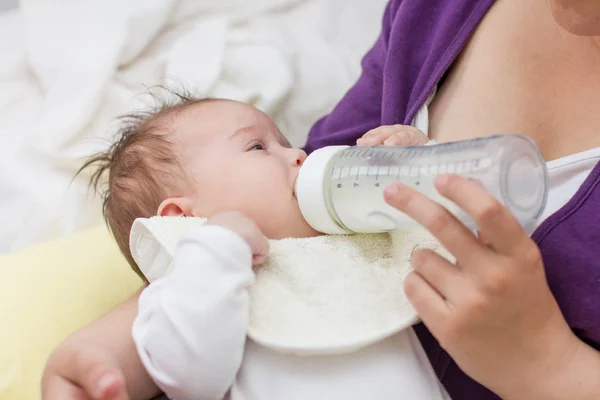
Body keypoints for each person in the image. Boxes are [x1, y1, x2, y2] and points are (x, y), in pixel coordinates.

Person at [42, 0, 600, 399]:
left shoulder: (351, 258)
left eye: (281, 142)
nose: (302, 156)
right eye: (262, 146)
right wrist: (120, 335)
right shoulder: (220, 277)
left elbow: (421, 241)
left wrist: (551, 368)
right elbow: (190, 364)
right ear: (184, 220)